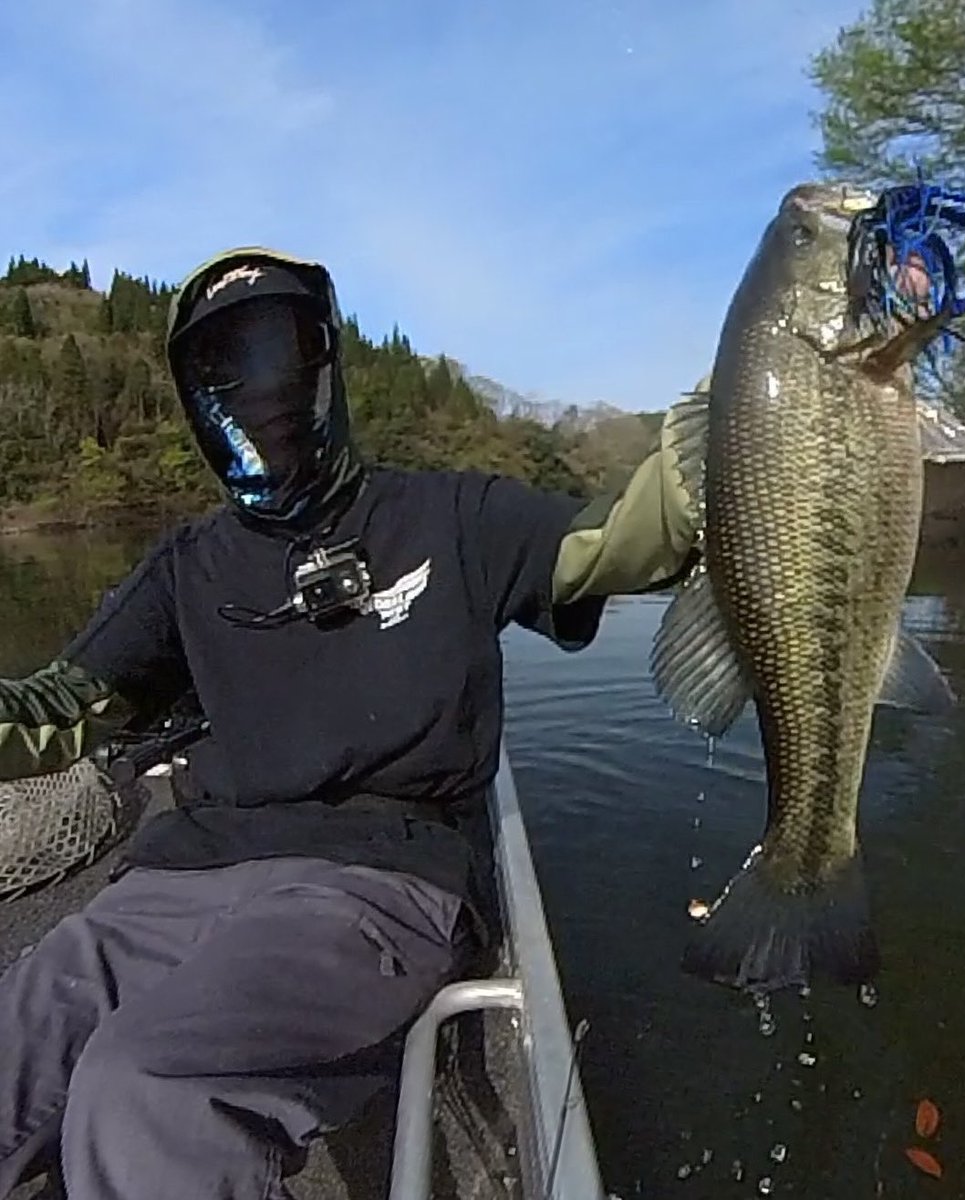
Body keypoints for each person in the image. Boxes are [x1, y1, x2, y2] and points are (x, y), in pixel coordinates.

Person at [0, 247, 701, 1199]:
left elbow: (624, 541)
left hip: (374, 882)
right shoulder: (186, 564)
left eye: (277, 352)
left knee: (148, 1082)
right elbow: (57, 710)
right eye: (224, 365)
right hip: (173, 879)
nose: (259, 390)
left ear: (323, 359)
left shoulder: (453, 513)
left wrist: (753, 396)